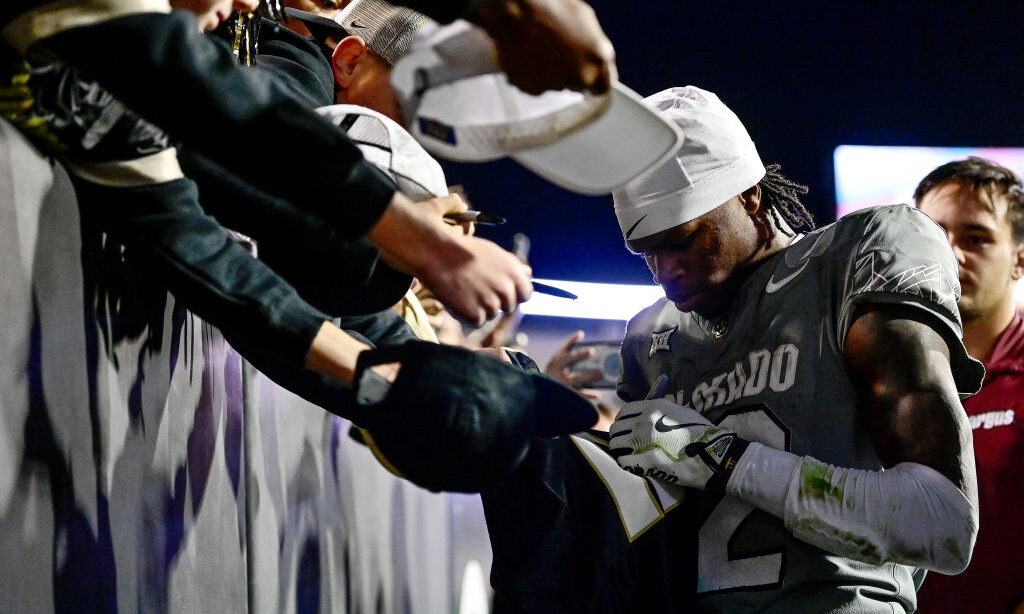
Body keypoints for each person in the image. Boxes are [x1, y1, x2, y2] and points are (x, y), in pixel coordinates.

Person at [607, 86, 984, 613]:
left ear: (749, 195)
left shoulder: (853, 258)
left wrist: (719, 456)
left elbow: (940, 521)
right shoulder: (651, 338)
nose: (666, 273)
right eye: (648, 253)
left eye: (685, 240)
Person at [912, 157, 1024, 614]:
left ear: (1019, 259)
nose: (952, 253)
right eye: (934, 235)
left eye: (975, 238)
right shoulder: (868, 375)